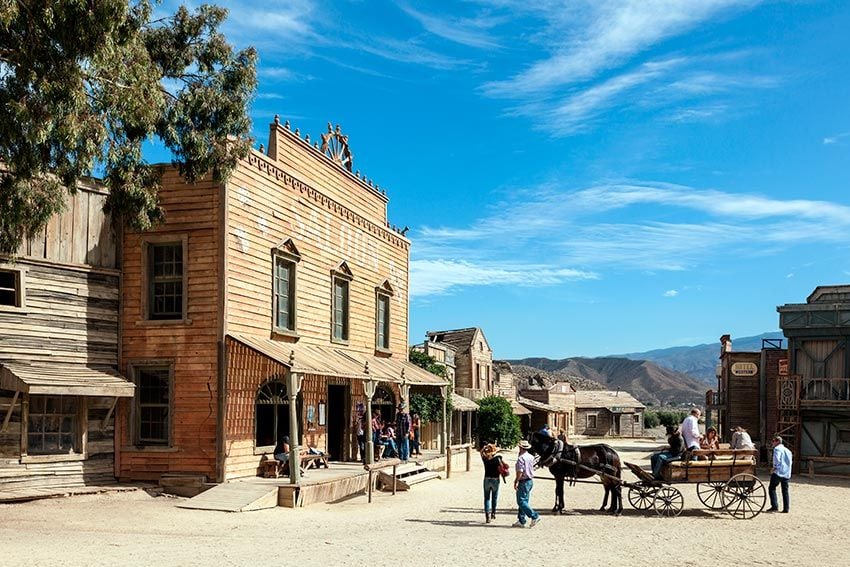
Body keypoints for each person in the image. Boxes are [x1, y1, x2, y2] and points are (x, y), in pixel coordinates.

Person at [513, 440, 542, 528]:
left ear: (521, 448)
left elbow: (520, 471)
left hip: (524, 481)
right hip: (530, 481)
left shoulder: (521, 458)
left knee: (521, 501)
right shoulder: (530, 457)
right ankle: (521, 520)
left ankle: (534, 516)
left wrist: (516, 480)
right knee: (524, 501)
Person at [767, 435, 792, 513]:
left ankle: (774, 506)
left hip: (778, 472)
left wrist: (774, 468)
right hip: (786, 473)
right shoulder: (788, 450)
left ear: (777, 441)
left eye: (773, 441)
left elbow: (776, 460)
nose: (772, 443)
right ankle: (786, 508)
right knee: (785, 490)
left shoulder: (777, 449)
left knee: (771, 488)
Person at [480, 443, 504, 524]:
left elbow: (481, 452)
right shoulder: (498, 458)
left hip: (487, 479)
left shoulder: (485, 458)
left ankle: (487, 516)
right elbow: (502, 466)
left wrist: (484, 448)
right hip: (495, 479)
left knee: (487, 498)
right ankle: (493, 513)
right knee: (494, 497)